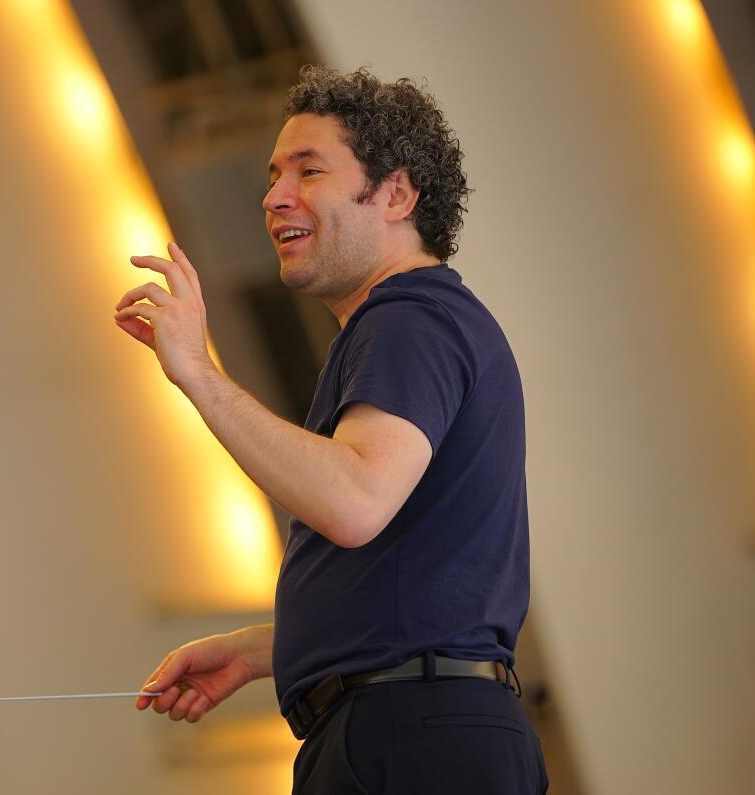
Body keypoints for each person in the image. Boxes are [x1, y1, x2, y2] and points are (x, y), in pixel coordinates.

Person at [114, 65, 547, 794]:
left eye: (309, 170)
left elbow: (354, 498)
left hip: (407, 738)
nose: (274, 195)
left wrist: (197, 370)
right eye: (275, 173)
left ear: (398, 194)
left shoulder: (409, 319)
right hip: (419, 732)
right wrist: (270, 649)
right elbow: (419, 584)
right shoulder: (420, 323)